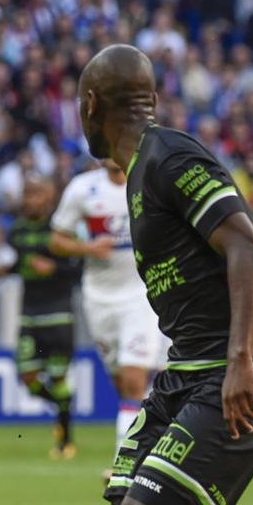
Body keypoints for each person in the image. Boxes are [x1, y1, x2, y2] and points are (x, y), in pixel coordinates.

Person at [83, 44, 253, 505]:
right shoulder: (142, 170)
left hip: (242, 361)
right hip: (189, 367)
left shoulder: (170, 156)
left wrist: (241, 361)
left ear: (90, 105)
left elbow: (250, 250)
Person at [50, 158, 167, 458]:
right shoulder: (83, 189)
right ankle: (155, 444)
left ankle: (124, 462)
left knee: (132, 379)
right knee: (124, 385)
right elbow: (57, 240)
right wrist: (86, 248)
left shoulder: (147, 183)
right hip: (99, 298)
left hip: (140, 293)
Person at [2, 174, 81, 459]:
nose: (31, 200)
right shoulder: (18, 231)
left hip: (59, 314)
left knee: (58, 378)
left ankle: (65, 442)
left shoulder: (60, 229)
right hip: (29, 316)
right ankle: (64, 406)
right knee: (28, 377)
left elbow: (78, 268)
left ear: (49, 197)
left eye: (37, 194)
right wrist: (8, 270)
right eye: (28, 194)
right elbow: (24, 261)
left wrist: (54, 269)